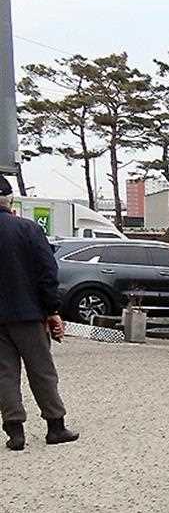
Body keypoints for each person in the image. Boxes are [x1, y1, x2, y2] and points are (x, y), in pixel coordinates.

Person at [0, 175, 79, 451]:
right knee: (41, 370)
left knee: (4, 373)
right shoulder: (29, 229)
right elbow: (47, 272)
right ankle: (55, 426)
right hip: (29, 313)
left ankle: (15, 432)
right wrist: (52, 309)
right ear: (10, 200)